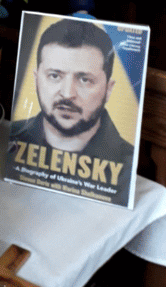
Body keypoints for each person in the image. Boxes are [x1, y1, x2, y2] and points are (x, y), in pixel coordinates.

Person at [10, 18, 134, 199]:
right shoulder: (12, 139)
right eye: (54, 76)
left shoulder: (127, 166)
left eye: (84, 79)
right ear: (36, 80)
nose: (67, 94)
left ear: (108, 89)